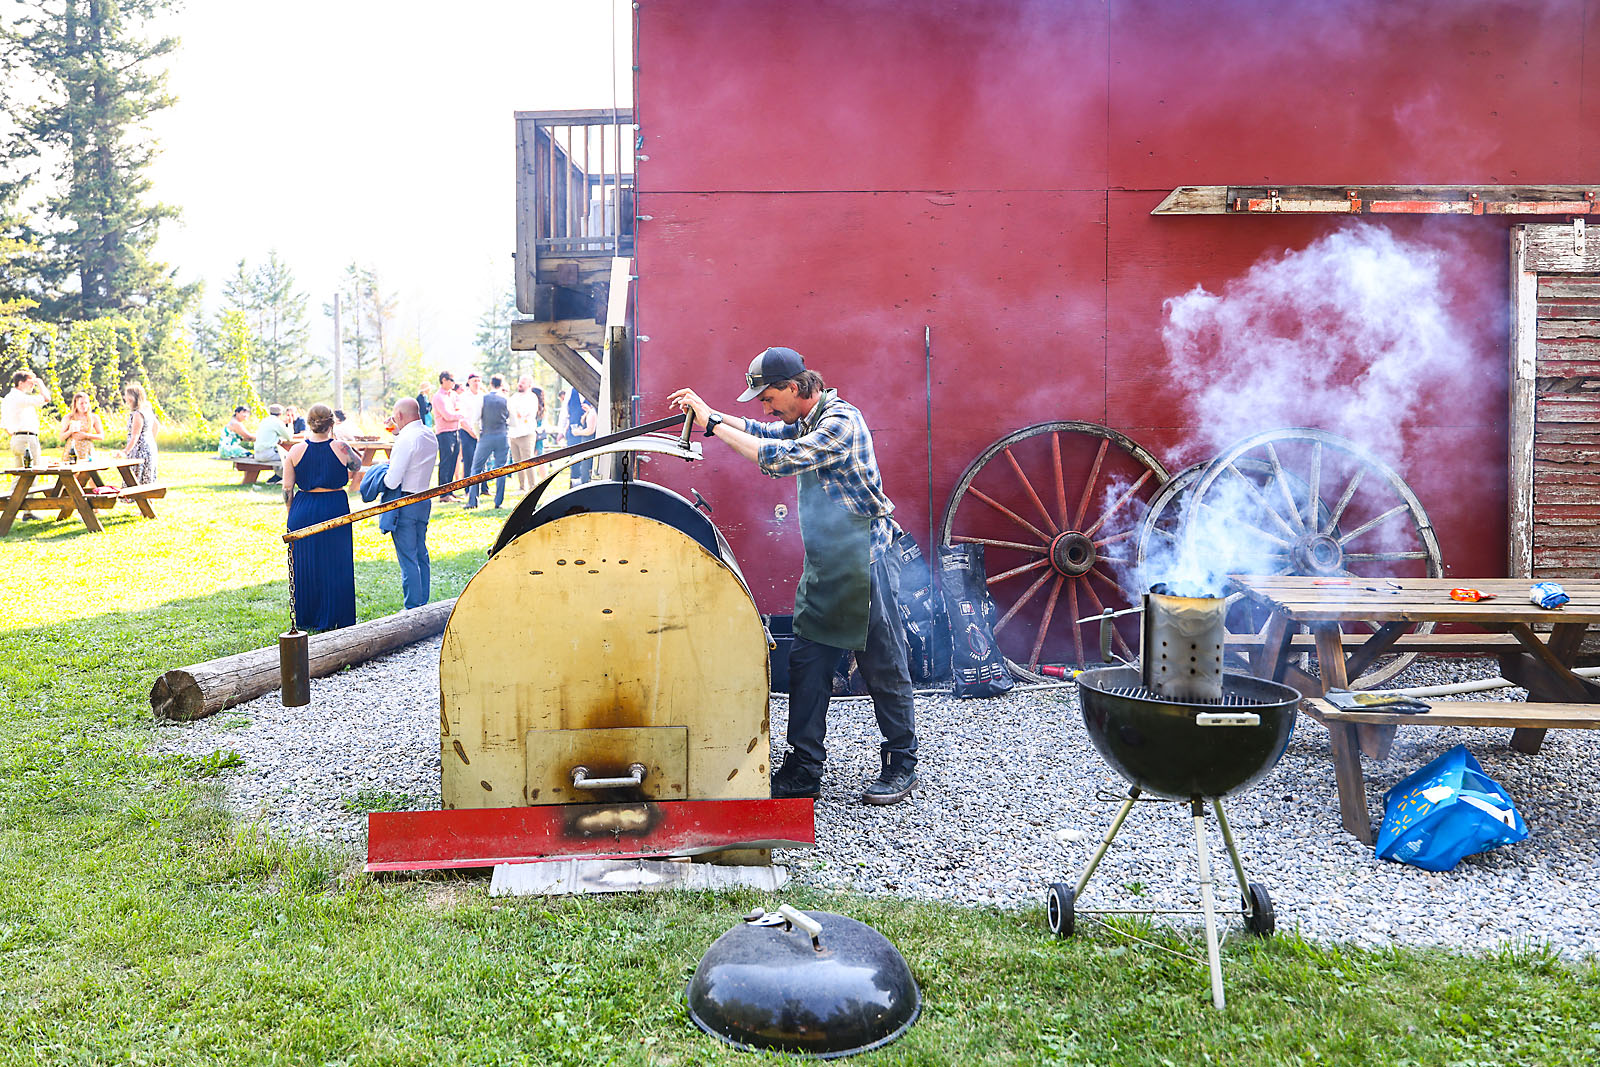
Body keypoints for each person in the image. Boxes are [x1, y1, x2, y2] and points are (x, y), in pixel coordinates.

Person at [669, 347, 919, 805]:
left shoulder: (841, 422)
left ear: (797, 386)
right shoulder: (806, 418)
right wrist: (710, 413)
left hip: (866, 564)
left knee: (884, 667)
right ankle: (804, 770)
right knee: (807, 669)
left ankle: (901, 762)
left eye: (768, 397)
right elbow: (766, 431)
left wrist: (711, 426)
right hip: (826, 566)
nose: (766, 408)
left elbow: (781, 458)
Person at [283, 403, 361, 632]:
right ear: (331, 422)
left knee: (307, 563)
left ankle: (310, 616)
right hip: (334, 506)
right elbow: (357, 464)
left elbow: (288, 489)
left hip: (304, 508)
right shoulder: (341, 447)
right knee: (337, 562)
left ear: (309, 423)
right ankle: (336, 614)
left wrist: (291, 513)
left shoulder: (295, 451)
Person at [384, 396, 439, 609]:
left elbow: (392, 480)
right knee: (420, 552)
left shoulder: (406, 440)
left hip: (406, 500)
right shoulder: (428, 434)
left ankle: (413, 606)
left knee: (408, 556)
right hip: (424, 498)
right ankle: (423, 602)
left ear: (398, 416)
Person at [466, 374, 512, 509]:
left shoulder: (482, 398)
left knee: (476, 468)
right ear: (502, 384)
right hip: (503, 436)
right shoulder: (506, 400)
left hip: (486, 435)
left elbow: (475, 420)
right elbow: (512, 420)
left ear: (491, 383)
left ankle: (473, 501)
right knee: (501, 469)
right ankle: (498, 502)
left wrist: (478, 435)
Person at [3, 368, 50, 470]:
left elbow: (4, 424)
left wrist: (15, 435)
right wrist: (40, 383)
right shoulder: (20, 397)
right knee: (33, 472)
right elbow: (46, 398)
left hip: (16, 438)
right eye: (30, 383)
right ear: (20, 383)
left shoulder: (8, 397)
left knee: (20, 474)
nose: (32, 385)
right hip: (26, 438)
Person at [430, 371, 463, 501]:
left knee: (454, 460)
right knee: (445, 462)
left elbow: (460, 409)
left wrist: (456, 414)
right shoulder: (438, 397)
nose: (453, 383)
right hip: (444, 433)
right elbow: (447, 416)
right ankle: (443, 494)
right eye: (451, 380)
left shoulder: (454, 395)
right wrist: (457, 415)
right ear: (443, 380)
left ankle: (450, 491)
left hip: (456, 431)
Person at [507, 377, 544, 490]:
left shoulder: (531, 397)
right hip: (513, 433)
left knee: (528, 461)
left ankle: (533, 486)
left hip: (526, 433)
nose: (520, 384)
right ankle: (522, 487)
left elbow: (524, 413)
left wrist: (516, 412)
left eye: (523, 382)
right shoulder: (514, 397)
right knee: (517, 462)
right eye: (519, 382)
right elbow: (509, 410)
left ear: (529, 384)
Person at [120, 383, 159, 485]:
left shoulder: (138, 414)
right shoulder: (147, 410)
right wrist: (150, 440)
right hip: (149, 446)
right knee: (147, 478)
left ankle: (141, 499)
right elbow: (156, 426)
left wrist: (125, 452)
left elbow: (135, 435)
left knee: (136, 478)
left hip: (139, 449)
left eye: (127, 395)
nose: (125, 398)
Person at [253, 404, 295, 483]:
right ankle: (286, 478)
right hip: (267, 455)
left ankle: (279, 477)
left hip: (257, 454)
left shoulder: (264, 421)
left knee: (282, 456)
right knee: (290, 458)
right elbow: (289, 437)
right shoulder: (277, 422)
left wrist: (276, 439)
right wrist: (290, 423)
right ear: (280, 413)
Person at [60, 392, 104, 464]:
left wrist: (86, 435)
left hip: (87, 449)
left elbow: (101, 436)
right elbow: (61, 437)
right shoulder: (69, 417)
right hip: (72, 449)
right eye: (81, 403)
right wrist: (70, 431)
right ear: (75, 404)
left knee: (87, 474)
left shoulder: (94, 417)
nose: (84, 406)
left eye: (86, 403)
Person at [458, 373, 483, 488]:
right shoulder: (463, 397)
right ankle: (468, 488)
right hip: (467, 432)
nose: (477, 383)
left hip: (481, 432)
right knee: (469, 460)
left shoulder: (483, 396)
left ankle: (484, 487)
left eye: (479, 381)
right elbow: (461, 418)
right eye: (474, 381)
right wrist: (470, 431)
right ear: (469, 382)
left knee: (483, 460)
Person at [568, 394, 597, 485]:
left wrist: (577, 432)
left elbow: (590, 430)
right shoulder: (590, 411)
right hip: (586, 444)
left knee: (586, 467)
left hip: (588, 443)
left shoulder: (592, 412)